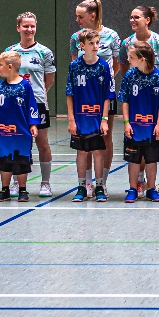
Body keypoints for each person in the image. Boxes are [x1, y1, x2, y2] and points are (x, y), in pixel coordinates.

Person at [70, 0, 124, 193]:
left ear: (92, 16)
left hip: (103, 95)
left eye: (80, 16)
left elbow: (117, 63)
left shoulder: (112, 36)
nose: (77, 20)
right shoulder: (76, 37)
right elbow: (74, 63)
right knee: (84, 138)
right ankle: (86, 183)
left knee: (104, 136)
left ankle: (102, 182)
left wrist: (103, 81)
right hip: (83, 96)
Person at [123, 5, 159, 197]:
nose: (132, 20)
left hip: (154, 100)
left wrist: (154, 89)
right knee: (136, 140)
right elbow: (124, 68)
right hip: (136, 101)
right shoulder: (127, 43)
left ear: (147, 20)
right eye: (131, 16)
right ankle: (138, 182)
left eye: (136, 17)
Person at [4, 12, 57, 197]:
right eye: (25, 26)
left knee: (42, 143)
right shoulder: (10, 51)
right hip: (15, 104)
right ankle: (16, 183)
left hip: (38, 103)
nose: (29, 29)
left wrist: (36, 95)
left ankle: (45, 183)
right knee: (16, 142)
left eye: (32, 26)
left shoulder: (45, 52)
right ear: (18, 27)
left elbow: (49, 79)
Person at [67, 28, 116, 202]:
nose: (95, 46)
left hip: (97, 117)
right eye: (91, 43)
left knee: (97, 151)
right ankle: (82, 187)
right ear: (82, 46)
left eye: (97, 43)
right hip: (80, 117)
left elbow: (107, 95)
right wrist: (71, 119)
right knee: (81, 152)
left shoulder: (103, 66)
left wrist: (104, 119)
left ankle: (100, 186)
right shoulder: (75, 66)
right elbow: (69, 94)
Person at [0, 50, 41, 202]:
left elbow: (32, 106)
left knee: (21, 161)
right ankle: (5, 190)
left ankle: (23, 190)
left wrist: (33, 124)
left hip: (20, 132)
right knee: (4, 161)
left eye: (0, 65)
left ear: (10, 67)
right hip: (1, 131)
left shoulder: (25, 86)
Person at [119, 43, 159, 203]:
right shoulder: (130, 75)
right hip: (134, 127)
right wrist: (126, 122)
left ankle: (151, 189)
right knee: (133, 159)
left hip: (151, 128)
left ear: (142, 59)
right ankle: (133, 189)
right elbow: (125, 101)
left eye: (131, 57)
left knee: (151, 159)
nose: (128, 59)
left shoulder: (157, 76)